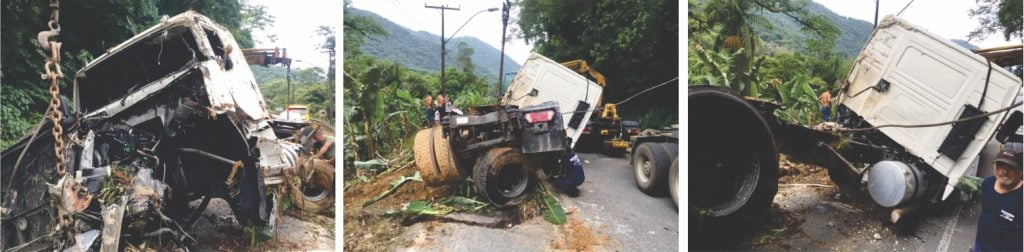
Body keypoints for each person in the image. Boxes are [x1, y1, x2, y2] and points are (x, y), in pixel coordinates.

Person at [973, 143, 1023, 251]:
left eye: (1011, 167)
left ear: (1021, 171)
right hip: (980, 246)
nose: (1004, 171)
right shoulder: (988, 183)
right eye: (1000, 166)